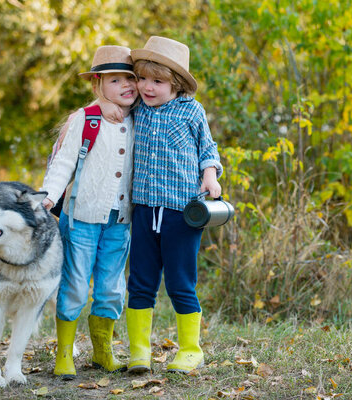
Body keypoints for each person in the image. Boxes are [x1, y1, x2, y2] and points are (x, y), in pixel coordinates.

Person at [101, 36, 222, 374]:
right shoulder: (136, 108)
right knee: (139, 281)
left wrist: (210, 176)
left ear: (176, 83)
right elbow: (109, 105)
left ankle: (190, 350)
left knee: (181, 282)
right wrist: (107, 107)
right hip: (142, 211)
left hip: (181, 213)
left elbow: (207, 149)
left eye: (158, 81)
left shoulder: (191, 111)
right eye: (142, 79)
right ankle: (140, 351)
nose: (147, 87)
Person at [40, 45, 137, 380]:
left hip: (120, 221)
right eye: (115, 80)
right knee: (77, 284)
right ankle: (64, 354)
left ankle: (102, 352)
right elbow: (63, 163)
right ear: (98, 84)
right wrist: (49, 197)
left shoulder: (141, 118)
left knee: (111, 288)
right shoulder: (86, 118)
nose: (126, 85)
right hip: (81, 216)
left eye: (130, 78)